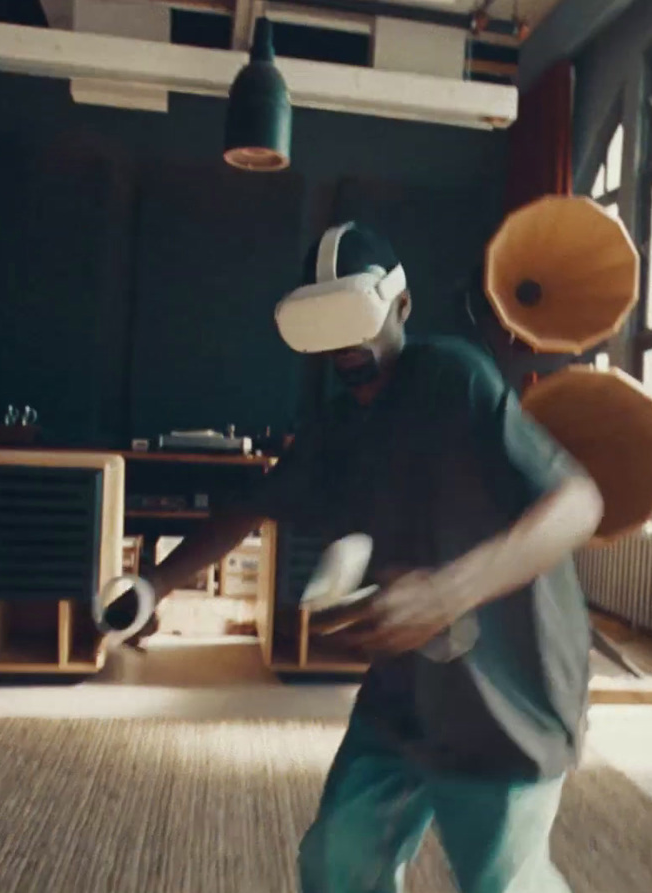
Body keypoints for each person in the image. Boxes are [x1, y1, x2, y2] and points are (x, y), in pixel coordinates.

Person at [137, 222, 603, 893]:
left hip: (510, 694)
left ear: (402, 307)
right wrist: (152, 586)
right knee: (337, 860)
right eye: (325, 325)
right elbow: (247, 507)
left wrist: (448, 591)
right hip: (406, 696)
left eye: (356, 317)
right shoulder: (337, 427)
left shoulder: (454, 377)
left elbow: (579, 501)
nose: (346, 347)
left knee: (502, 879)